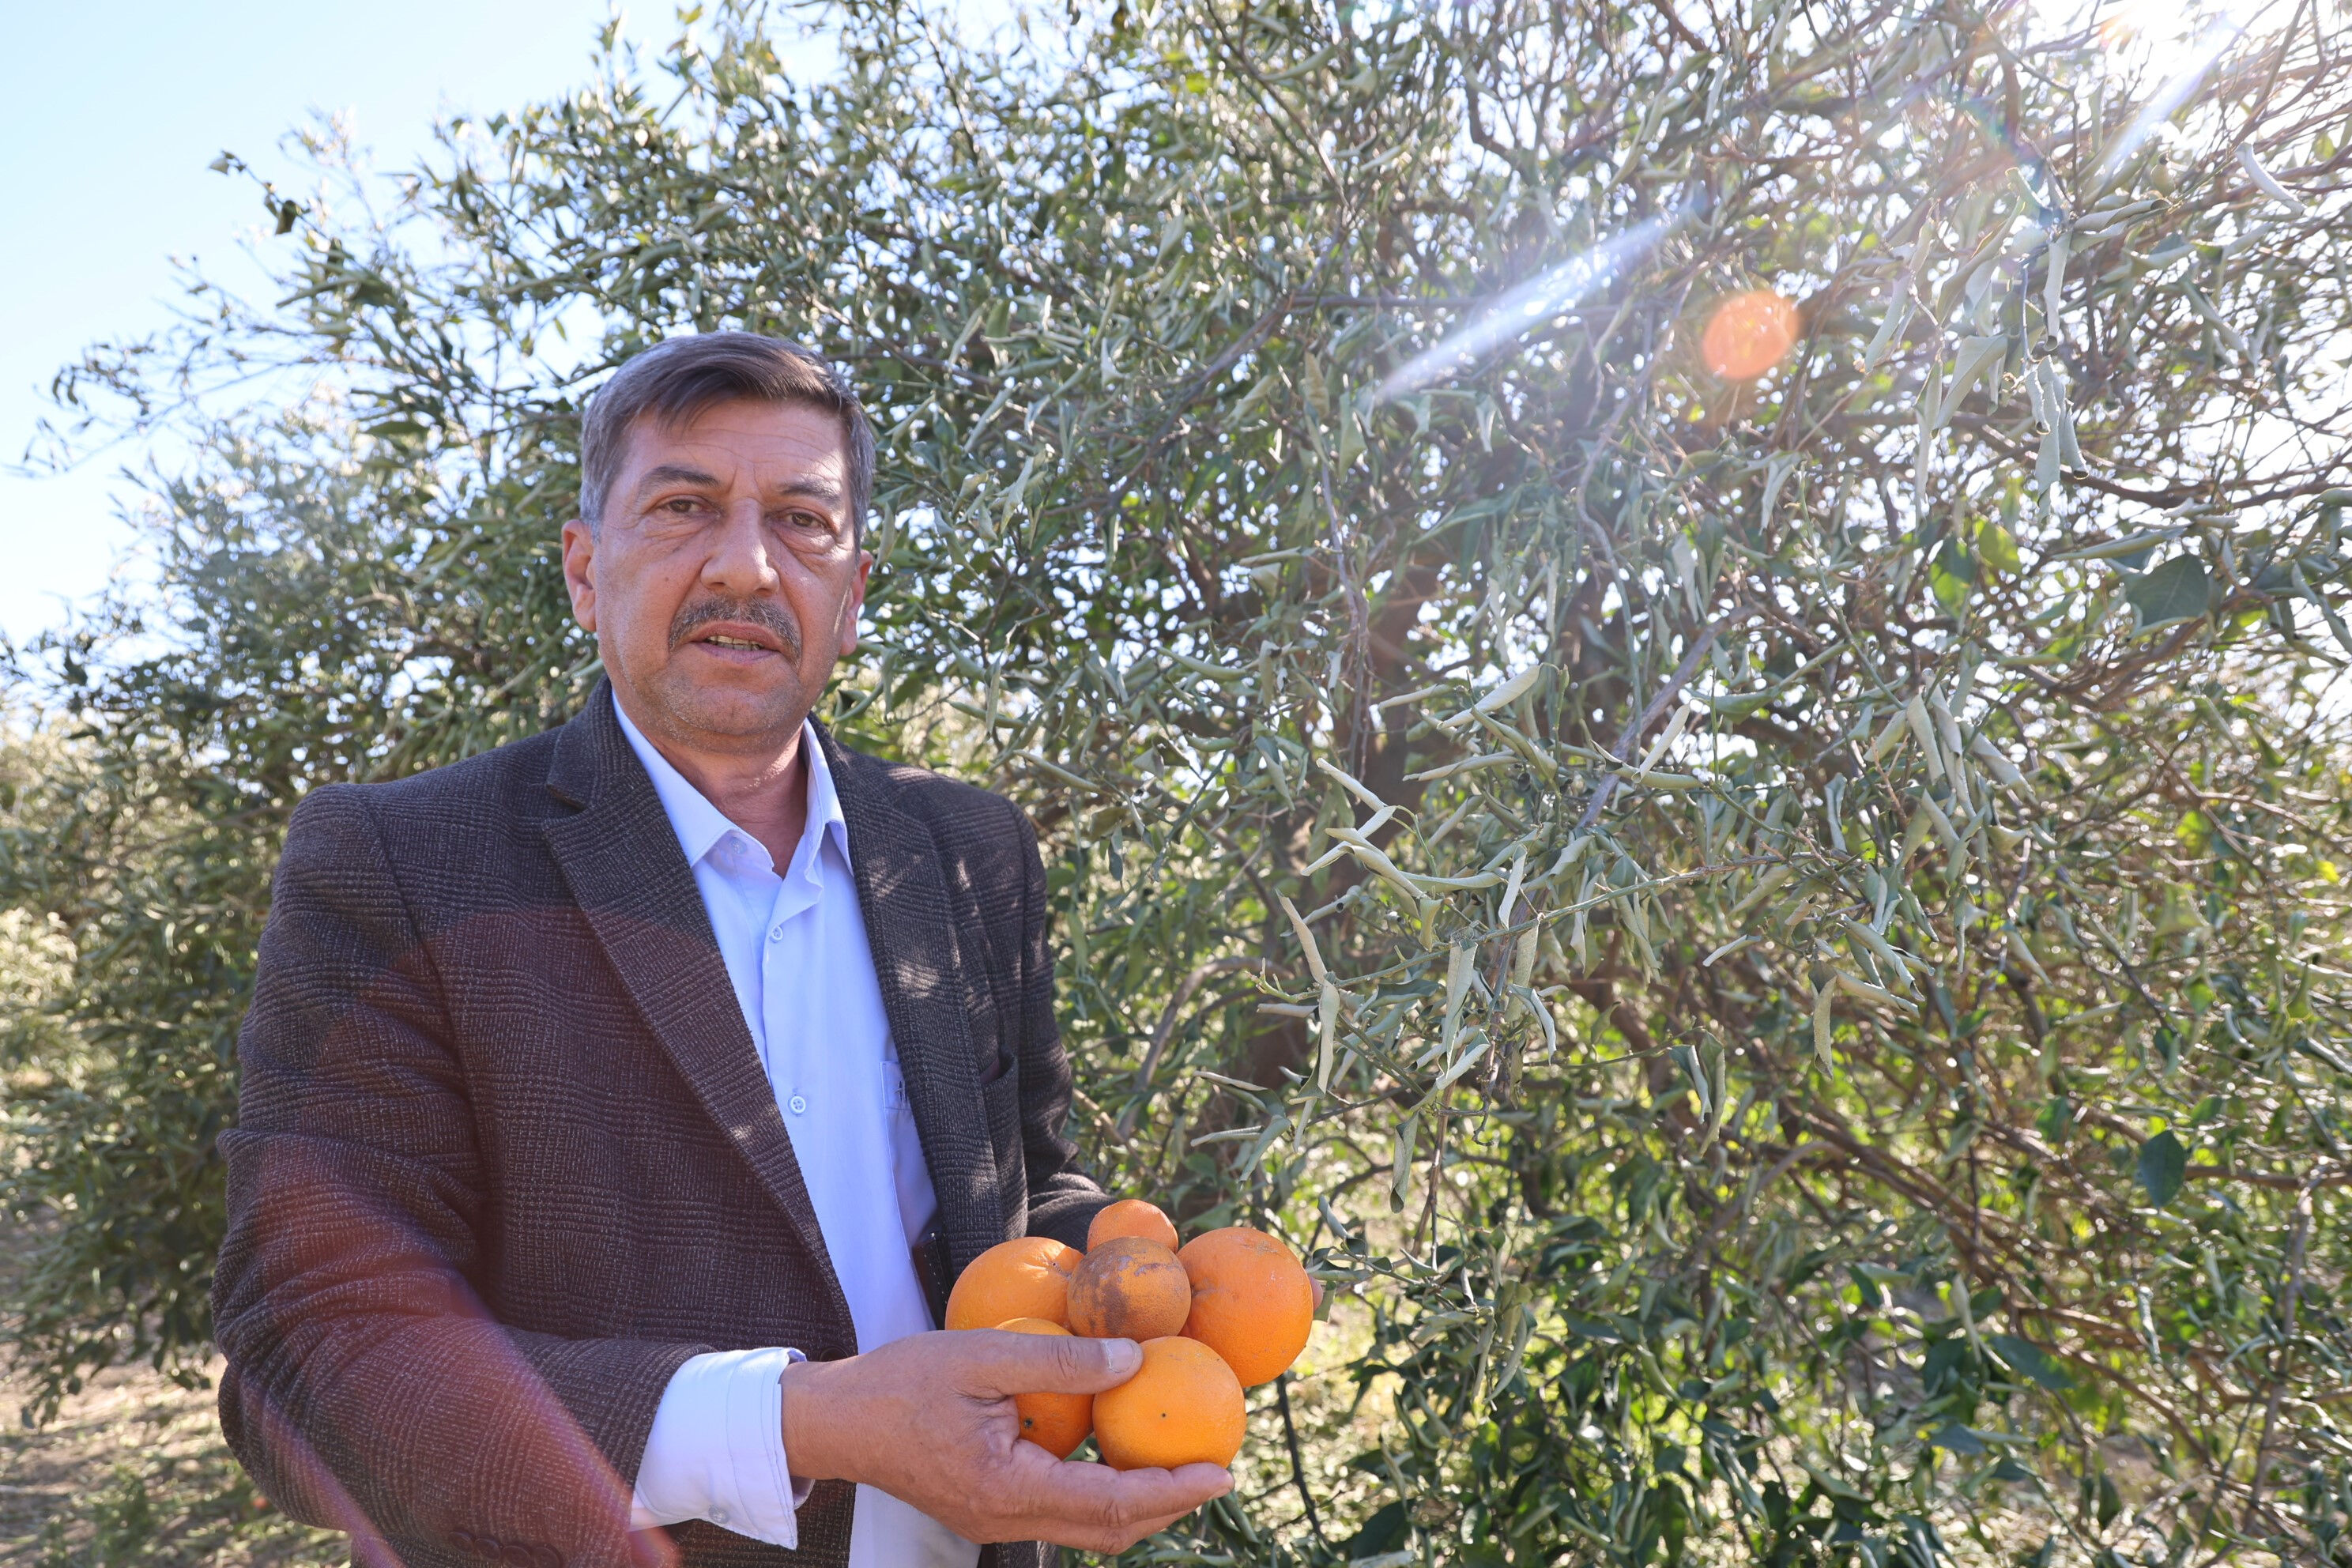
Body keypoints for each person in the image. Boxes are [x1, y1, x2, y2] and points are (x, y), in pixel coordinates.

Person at [211, 332, 1232, 1568]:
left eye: (803, 521)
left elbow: (1018, 1192)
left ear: (854, 593)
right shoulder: (403, 865)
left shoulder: (970, 851)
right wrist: (802, 1426)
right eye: (684, 505)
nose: (746, 565)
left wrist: (1140, 1281)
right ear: (587, 574)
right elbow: (310, 1363)